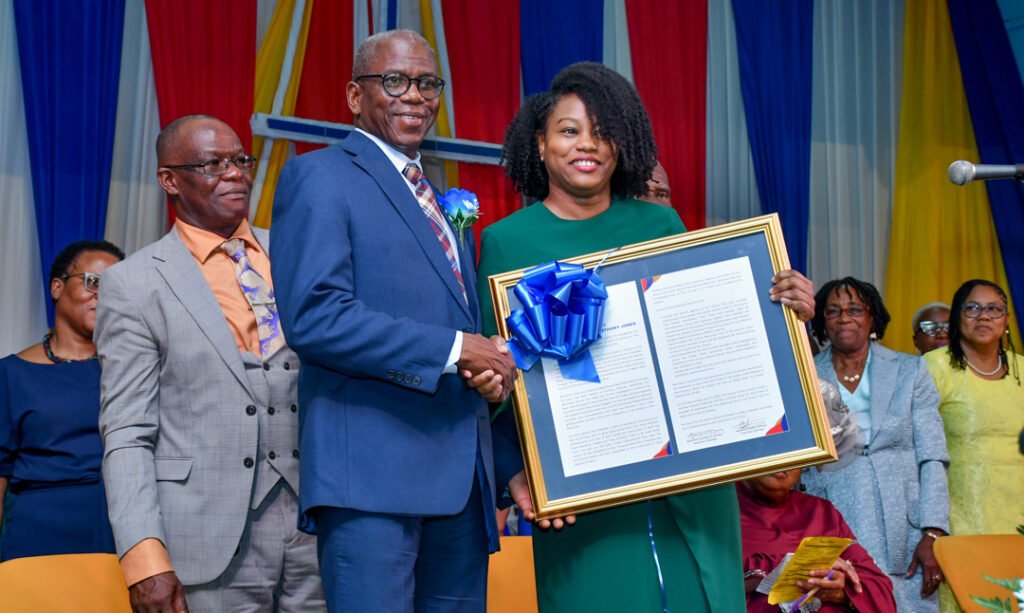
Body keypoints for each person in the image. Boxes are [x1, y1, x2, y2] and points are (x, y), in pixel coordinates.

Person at [477, 61, 817, 613]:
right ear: (539, 144)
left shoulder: (660, 226)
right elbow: (492, 379)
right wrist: (519, 470)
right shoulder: (506, 243)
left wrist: (780, 310)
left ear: (623, 145)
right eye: (569, 130)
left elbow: (701, 331)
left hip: (691, 483)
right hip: (583, 495)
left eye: (604, 131)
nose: (587, 145)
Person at [270, 30, 518, 612]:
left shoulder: (435, 193)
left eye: (428, 82)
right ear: (355, 96)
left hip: (461, 476)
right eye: (395, 81)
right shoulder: (321, 176)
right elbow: (315, 316)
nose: (415, 95)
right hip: (372, 479)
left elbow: (451, 318)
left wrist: (483, 369)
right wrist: (458, 350)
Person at [95, 115, 324, 612]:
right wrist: (144, 558)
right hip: (206, 538)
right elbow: (128, 432)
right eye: (212, 164)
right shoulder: (133, 284)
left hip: (319, 528)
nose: (235, 173)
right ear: (169, 180)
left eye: (240, 160)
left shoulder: (300, 251)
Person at [804, 277, 950, 612]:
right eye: (833, 311)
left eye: (855, 309)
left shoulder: (910, 370)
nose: (844, 318)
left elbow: (932, 456)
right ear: (822, 321)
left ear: (873, 317)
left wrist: (934, 532)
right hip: (834, 515)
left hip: (905, 523)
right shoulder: (806, 374)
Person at [0, 240, 123, 561]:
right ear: (57, 287)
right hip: (37, 536)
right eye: (93, 282)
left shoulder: (134, 370)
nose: (104, 294)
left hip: (121, 532)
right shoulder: (10, 375)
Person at [924, 280, 1023, 537]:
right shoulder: (932, 367)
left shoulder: (1021, 368)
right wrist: (932, 527)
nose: (984, 316)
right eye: (973, 308)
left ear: (1006, 319)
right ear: (958, 316)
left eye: (994, 309)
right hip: (958, 520)